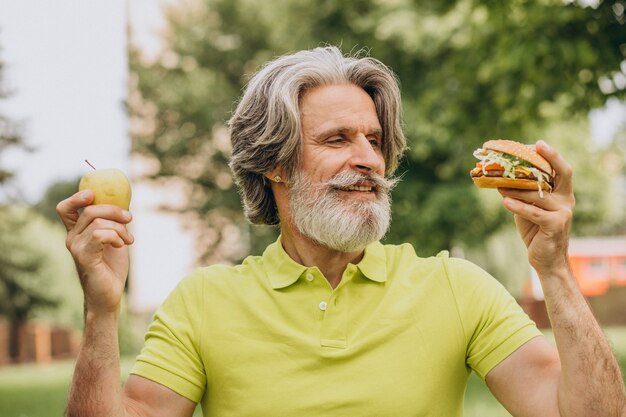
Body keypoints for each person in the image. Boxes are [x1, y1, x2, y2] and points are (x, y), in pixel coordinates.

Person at [57, 46, 626, 417]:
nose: (369, 159)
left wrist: (553, 269)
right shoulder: (203, 302)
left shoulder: (456, 287)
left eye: (374, 140)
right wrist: (101, 313)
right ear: (273, 164)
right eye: (337, 140)